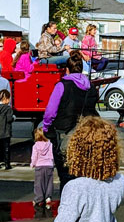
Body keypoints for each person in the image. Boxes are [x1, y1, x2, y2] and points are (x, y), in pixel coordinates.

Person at [41, 53, 99, 186]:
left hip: (65, 129)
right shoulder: (90, 86)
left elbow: (50, 111)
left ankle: (68, 202)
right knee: (84, 172)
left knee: (66, 175)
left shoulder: (62, 85)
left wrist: (46, 127)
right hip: (87, 130)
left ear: (67, 69)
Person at [32, 128, 55, 208]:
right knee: (49, 182)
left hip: (39, 166)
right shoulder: (50, 144)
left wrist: (33, 164)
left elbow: (34, 156)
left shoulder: (35, 146)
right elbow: (52, 155)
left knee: (39, 183)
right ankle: (48, 197)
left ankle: (39, 198)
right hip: (49, 165)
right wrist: (52, 163)